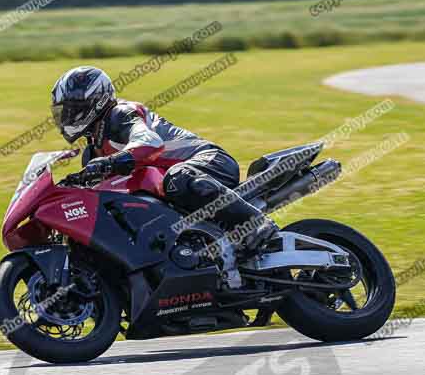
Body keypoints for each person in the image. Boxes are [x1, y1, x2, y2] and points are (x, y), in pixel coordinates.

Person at [50, 65, 277, 255]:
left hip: (209, 162)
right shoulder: (93, 151)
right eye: (63, 112)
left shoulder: (120, 114)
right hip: (172, 187)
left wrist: (110, 163)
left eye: (72, 110)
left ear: (95, 102)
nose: (66, 118)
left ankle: (257, 223)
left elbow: (150, 143)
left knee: (177, 178)